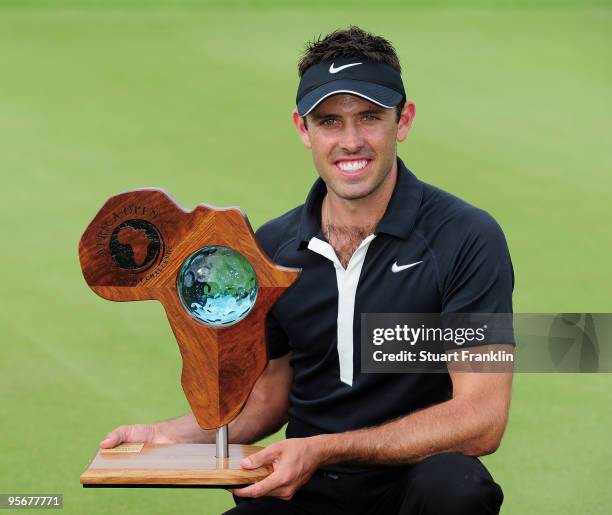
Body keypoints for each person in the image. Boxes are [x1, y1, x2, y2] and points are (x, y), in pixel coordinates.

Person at [100, 26, 514, 514]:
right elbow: (268, 397)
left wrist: (324, 447)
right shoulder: (271, 248)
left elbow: (483, 417)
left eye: (370, 118)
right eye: (330, 122)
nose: (351, 141)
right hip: (305, 486)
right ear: (303, 129)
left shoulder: (467, 237)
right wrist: (168, 435)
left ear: (403, 121)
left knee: (456, 487)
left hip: (412, 485)